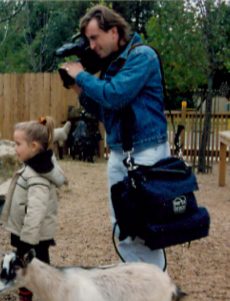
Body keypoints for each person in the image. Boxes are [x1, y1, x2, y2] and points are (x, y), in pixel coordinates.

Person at [62, 5, 168, 271]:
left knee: (145, 229)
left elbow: (115, 94)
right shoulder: (113, 65)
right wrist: (77, 87)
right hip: (121, 153)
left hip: (146, 153)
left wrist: (82, 76)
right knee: (123, 228)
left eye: (94, 38)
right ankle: (136, 294)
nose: (91, 45)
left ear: (114, 31)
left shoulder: (141, 56)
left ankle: (157, 300)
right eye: (87, 40)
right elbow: (105, 109)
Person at [0, 117, 66, 301]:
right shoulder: (34, 166)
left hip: (33, 237)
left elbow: (36, 211)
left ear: (34, 146)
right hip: (25, 233)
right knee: (24, 270)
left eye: (18, 144)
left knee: (41, 275)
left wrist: (27, 241)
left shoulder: (38, 174)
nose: (14, 148)